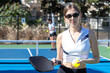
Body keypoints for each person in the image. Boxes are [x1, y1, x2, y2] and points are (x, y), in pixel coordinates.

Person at [51, 3, 100, 73]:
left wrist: (84, 61)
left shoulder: (90, 34)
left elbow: (97, 59)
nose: (72, 18)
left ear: (80, 15)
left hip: (81, 71)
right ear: (65, 18)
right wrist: (56, 61)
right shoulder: (60, 36)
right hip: (63, 70)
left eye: (75, 15)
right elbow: (60, 59)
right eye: (69, 16)